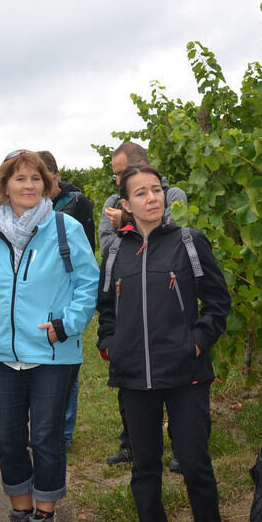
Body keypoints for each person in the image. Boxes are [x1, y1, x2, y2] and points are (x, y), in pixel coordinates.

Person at [96, 163, 230, 522]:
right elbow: (106, 309)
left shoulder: (188, 241)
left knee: (194, 462)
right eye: (141, 193)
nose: (152, 198)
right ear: (126, 203)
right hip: (135, 378)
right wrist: (110, 347)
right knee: (144, 468)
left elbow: (218, 302)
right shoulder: (116, 251)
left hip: (186, 373)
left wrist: (198, 343)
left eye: (156, 190)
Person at [0, 150, 99, 522]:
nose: (28, 185)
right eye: (19, 179)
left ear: (46, 184)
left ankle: (44, 519)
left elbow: (88, 282)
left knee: (46, 439)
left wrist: (67, 324)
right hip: (3, 355)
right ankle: (21, 514)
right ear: (5, 186)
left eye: (35, 179)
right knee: (9, 441)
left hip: (53, 353)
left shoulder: (65, 227)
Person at [99, 141, 186, 470]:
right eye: (116, 175)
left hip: (168, 304)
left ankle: (181, 450)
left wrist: (127, 220)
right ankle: (131, 445)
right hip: (128, 303)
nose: (117, 180)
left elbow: (173, 231)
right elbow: (108, 245)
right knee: (129, 383)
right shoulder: (112, 200)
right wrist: (137, 225)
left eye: (121, 173)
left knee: (178, 384)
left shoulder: (173, 195)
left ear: (140, 164)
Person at [34, 150, 96, 450]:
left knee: (67, 372)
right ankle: (45, 431)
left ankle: (64, 433)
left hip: (68, 298)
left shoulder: (77, 204)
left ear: (56, 176)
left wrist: (74, 313)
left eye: (43, 178)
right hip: (42, 297)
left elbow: (86, 256)